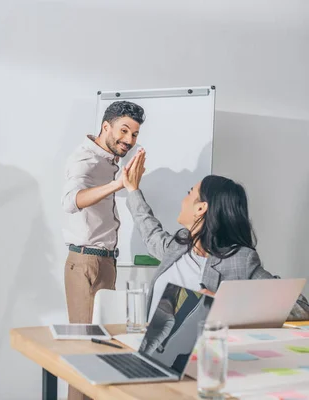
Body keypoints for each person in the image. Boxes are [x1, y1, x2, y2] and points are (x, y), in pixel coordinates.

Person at [122, 150, 309, 322]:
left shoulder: (240, 260)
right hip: (149, 347)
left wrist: (223, 305)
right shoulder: (178, 246)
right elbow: (151, 232)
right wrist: (132, 190)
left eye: (190, 193)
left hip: (197, 354)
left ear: (201, 208)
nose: (183, 199)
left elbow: (300, 308)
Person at [60, 100, 145, 400]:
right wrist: (118, 185)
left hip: (105, 263)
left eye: (134, 135)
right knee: (84, 353)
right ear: (105, 126)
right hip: (86, 263)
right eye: (124, 131)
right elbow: (71, 201)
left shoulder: (109, 161)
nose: (129, 140)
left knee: (102, 352)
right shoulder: (86, 159)